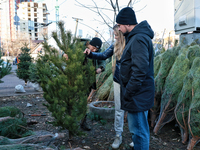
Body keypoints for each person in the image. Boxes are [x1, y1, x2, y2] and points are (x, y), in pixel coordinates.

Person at [84, 25, 134, 149]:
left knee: (133, 108)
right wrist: (91, 54)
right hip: (118, 80)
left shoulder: (133, 42)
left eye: (116, 35)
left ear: (122, 33)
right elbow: (103, 55)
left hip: (131, 82)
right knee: (119, 109)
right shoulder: (115, 44)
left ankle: (135, 136)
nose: (114, 37)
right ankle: (118, 135)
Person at [116, 7, 154, 150]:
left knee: (139, 132)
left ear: (127, 24)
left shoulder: (138, 39)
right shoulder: (136, 37)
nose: (119, 29)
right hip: (138, 94)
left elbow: (140, 70)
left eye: (119, 25)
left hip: (137, 95)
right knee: (139, 131)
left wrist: (129, 92)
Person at [62, 37, 106, 131]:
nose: (94, 50)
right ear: (89, 43)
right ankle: (69, 122)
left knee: (83, 101)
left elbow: (102, 60)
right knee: (72, 100)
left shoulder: (97, 52)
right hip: (75, 77)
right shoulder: (77, 46)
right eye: (93, 48)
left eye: (96, 49)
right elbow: (64, 52)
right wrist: (64, 55)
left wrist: (101, 68)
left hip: (88, 79)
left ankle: (83, 122)